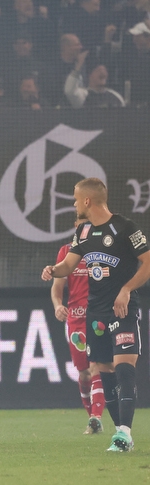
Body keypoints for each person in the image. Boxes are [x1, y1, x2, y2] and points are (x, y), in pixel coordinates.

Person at [42, 178, 150, 453]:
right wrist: (53, 270)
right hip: (95, 313)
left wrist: (126, 289)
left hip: (123, 309)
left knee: (125, 366)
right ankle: (120, 433)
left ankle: (124, 433)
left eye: (77, 200)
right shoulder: (84, 232)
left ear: (87, 201)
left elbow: (148, 262)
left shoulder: (126, 227)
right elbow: (68, 265)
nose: (75, 204)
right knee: (105, 370)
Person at [51, 219, 105, 435]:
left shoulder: (103, 252)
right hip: (76, 318)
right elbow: (57, 287)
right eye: (83, 224)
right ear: (76, 225)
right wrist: (57, 306)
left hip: (98, 316)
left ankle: (96, 417)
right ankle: (91, 418)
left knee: (97, 366)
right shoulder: (66, 252)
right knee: (84, 373)